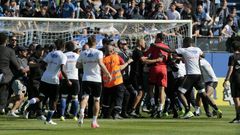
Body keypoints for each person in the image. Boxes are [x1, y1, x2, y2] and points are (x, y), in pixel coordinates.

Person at [153, 37, 222, 119]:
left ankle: (187, 110)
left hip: (191, 75)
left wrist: (157, 46)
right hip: (199, 75)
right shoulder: (197, 49)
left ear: (186, 43)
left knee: (179, 92)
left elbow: (169, 50)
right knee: (203, 94)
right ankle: (217, 110)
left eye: (183, 43)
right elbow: (203, 55)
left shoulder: (184, 50)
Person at [76, 35, 111, 128]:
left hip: (86, 78)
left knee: (85, 97)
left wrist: (86, 65)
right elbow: (100, 63)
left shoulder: (83, 53)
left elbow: (77, 66)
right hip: (96, 79)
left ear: (88, 43)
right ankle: (94, 121)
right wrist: (107, 73)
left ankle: (82, 112)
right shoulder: (98, 52)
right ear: (95, 43)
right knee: (96, 100)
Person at [101, 44, 133, 120]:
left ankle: (106, 114)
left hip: (107, 83)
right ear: (112, 51)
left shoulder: (103, 59)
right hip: (117, 81)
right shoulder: (116, 57)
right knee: (119, 98)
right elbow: (121, 67)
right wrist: (128, 62)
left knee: (107, 100)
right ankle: (116, 113)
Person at [144, 33, 170, 118]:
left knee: (151, 88)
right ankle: (160, 109)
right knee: (161, 90)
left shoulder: (154, 46)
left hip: (155, 68)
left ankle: (153, 104)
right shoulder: (166, 47)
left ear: (158, 38)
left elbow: (146, 54)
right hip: (164, 69)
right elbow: (169, 58)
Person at [0, 32, 22, 114]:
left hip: (3, 74)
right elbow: (16, 65)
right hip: (4, 75)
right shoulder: (10, 51)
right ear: (6, 41)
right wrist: (22, 69)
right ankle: (1, 108)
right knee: (4, 91)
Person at [59, 41, 80, 121]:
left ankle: (62, 116)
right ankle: (74, 116)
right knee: (75, 98)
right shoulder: (77, 56)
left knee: (64, 97)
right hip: (75, 78)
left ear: (66, 48)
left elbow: (61, 67)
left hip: (65, 78)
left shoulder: (64, 56)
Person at [223, 41, 240, 123]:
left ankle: (238, 118)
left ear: (232, 48)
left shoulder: (232, 57)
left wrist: (226, 80)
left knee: (236, 99)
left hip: (236, 79)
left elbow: (231, 69)